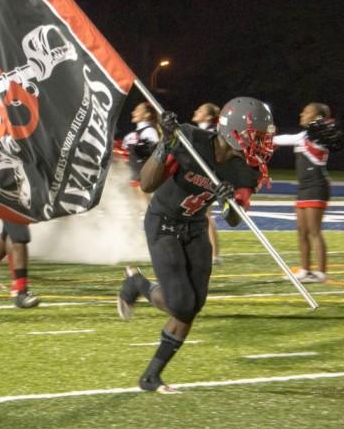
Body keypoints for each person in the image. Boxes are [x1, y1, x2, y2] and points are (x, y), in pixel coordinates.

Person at [117, 97, 273, 393]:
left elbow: (234, 218)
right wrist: (166, 143)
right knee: (180, 303)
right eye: (258, 137)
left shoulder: (245, 170)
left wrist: (229, 202)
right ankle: (137, 284)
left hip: (195, 225)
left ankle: (151, 376)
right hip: (163, 220)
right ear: (235, 130)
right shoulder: (190, 140)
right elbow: (148, 184)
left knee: (193, 306)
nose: (263, 144)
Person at [272, 103, 343, 283]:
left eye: (306, 111)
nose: (301, 113)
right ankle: (305, 270)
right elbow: (284, 139)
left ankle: (321, 273)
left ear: (317, 116)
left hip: (317, 185)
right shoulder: (305, 135)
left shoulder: (317, 136)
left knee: (314, 231)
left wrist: (269, 137)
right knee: (302, 231)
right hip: (304, 187)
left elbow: (286, 139)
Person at [192, 102, 222, 265]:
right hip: (196, 177)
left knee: (205, 216)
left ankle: (215, 255)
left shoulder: (211, 134)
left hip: (206, 179)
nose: (196, 111)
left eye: (201, 110)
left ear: (209, 117)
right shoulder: (200, 132)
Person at [122, 101, 159, 189]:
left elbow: (153, 155)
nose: (133, 112)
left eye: (137, 110)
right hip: (125, 178)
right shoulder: (130, 135)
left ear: (147, 114)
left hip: (138, 182)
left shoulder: (150, 132)